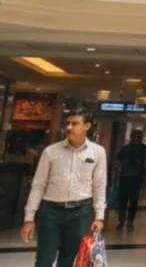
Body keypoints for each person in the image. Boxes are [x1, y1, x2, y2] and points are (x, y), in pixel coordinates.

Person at [21, 108, 107, 267]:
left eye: (75, 124)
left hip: (79, 212)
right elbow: (38, 185)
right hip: (52, 211)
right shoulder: (51, 152)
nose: (69, 127)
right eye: (67, 123)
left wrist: (99, 216)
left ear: (87, 126)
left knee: (67, 259)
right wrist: (29, 218)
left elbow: (99, 185)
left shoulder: (98, 152)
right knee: (44, 259)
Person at [114, 129, 146, 230]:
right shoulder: (125, 149)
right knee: (122, 201)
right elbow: (117, 164)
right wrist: (116, 178)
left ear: (141, 138)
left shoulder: (144, 150)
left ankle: (130, 222)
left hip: (136, 179)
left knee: (133, 202)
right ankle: (121, 221)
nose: (135, 139)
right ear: (130, 137)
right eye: (134, 137)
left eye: (138, 137)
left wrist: (144, 182)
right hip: (124, 179)